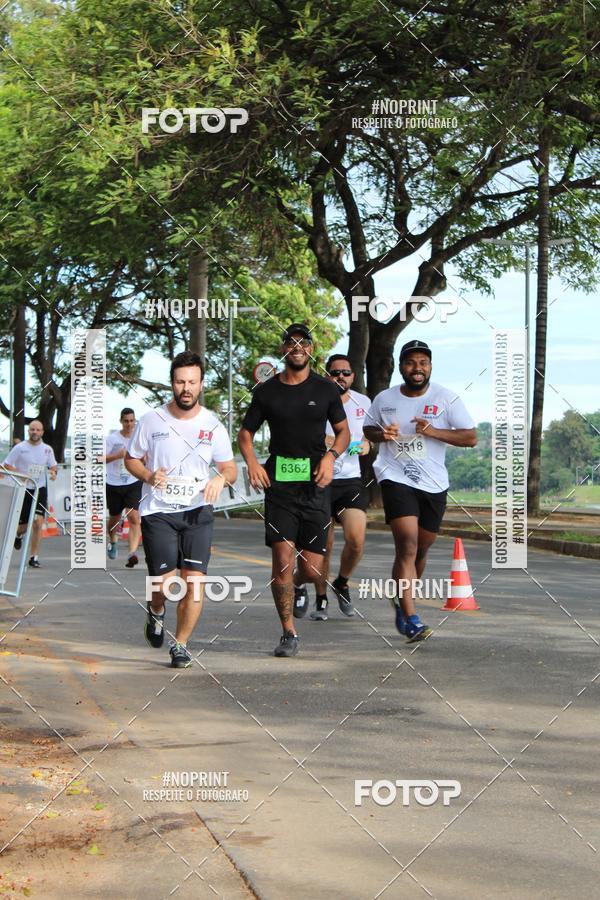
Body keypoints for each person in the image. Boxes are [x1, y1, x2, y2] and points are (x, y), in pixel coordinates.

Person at [238, 323, 350, 658]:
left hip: (315, 483)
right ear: (284, 348)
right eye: (291, 342)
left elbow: (343, 432)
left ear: (310, 350)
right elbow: (245, 434)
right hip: (280, 485)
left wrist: (331, 457)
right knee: (282, 559)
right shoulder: (267, 391)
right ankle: (289, 632)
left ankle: (298, 585)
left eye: (303, 342)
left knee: (314, 568)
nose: (297, 347)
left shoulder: (326, 389)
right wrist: (253, 465)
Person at [126, 350, 236, 668]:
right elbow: (131, 458)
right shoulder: (151, 421)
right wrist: (148, 475)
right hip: (158, 511)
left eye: (192, 382)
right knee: (163, 585)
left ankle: (181, 644)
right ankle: (156, 609)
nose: (185, 388)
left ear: (201, 384)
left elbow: (230, 468)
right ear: (171, 384)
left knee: (194, 581)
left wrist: (219, 479)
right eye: (179, 382)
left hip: (198, 512)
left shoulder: (212, 424)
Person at [363, 340, 477, 642]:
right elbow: (368, 429)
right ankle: (412, 617)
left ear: (430, 367)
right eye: (411, 362)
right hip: (395, 476)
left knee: (422, 549)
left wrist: (433, 431)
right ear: (401, 367)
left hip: (433, 483)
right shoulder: (384, 399)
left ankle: (402, 599)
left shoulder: (446, 399)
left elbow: (471, 437)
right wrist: (381, 435)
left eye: (423, 362)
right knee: (408, 544)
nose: (417, 368)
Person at [310, 354, 371, 621]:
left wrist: (368, 445)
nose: (341, 377)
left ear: (353, 376)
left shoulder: (363, 402)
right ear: (327, 375)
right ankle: (320, 599)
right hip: (321, 479)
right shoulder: (315, 400)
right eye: (335, 373)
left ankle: (342, 582)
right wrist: (324, 439)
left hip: (351, 480)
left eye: (346, 373)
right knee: (325, 545)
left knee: (356, 540)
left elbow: (369, 438)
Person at [2, 420, 58, 567]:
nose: (35, 432)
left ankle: (34, 557)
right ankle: (18, 535)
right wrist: (20, 474)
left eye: (38, 430)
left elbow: (53, 466)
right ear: (29, 431)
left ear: (42, 432)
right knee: (24, 525)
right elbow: (6, 464)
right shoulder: (20, 448)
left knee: (38, 522)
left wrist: (53, 473)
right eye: (32, 430)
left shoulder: (47, 449)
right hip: (23, 489)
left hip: (39, 488)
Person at [103, 408, 143, 567]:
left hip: (133, 481)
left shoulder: (138, 439)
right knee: (115, 518)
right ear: (121, 421)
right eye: (126, 421)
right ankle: (113, 540)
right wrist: (117, 455)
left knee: (134, 517)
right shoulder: (112, 439)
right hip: (114, 483)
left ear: (135, 421)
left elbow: (145, 456)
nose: (129, 424)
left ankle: (132, 554)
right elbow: (100, 459)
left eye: (132, 421)